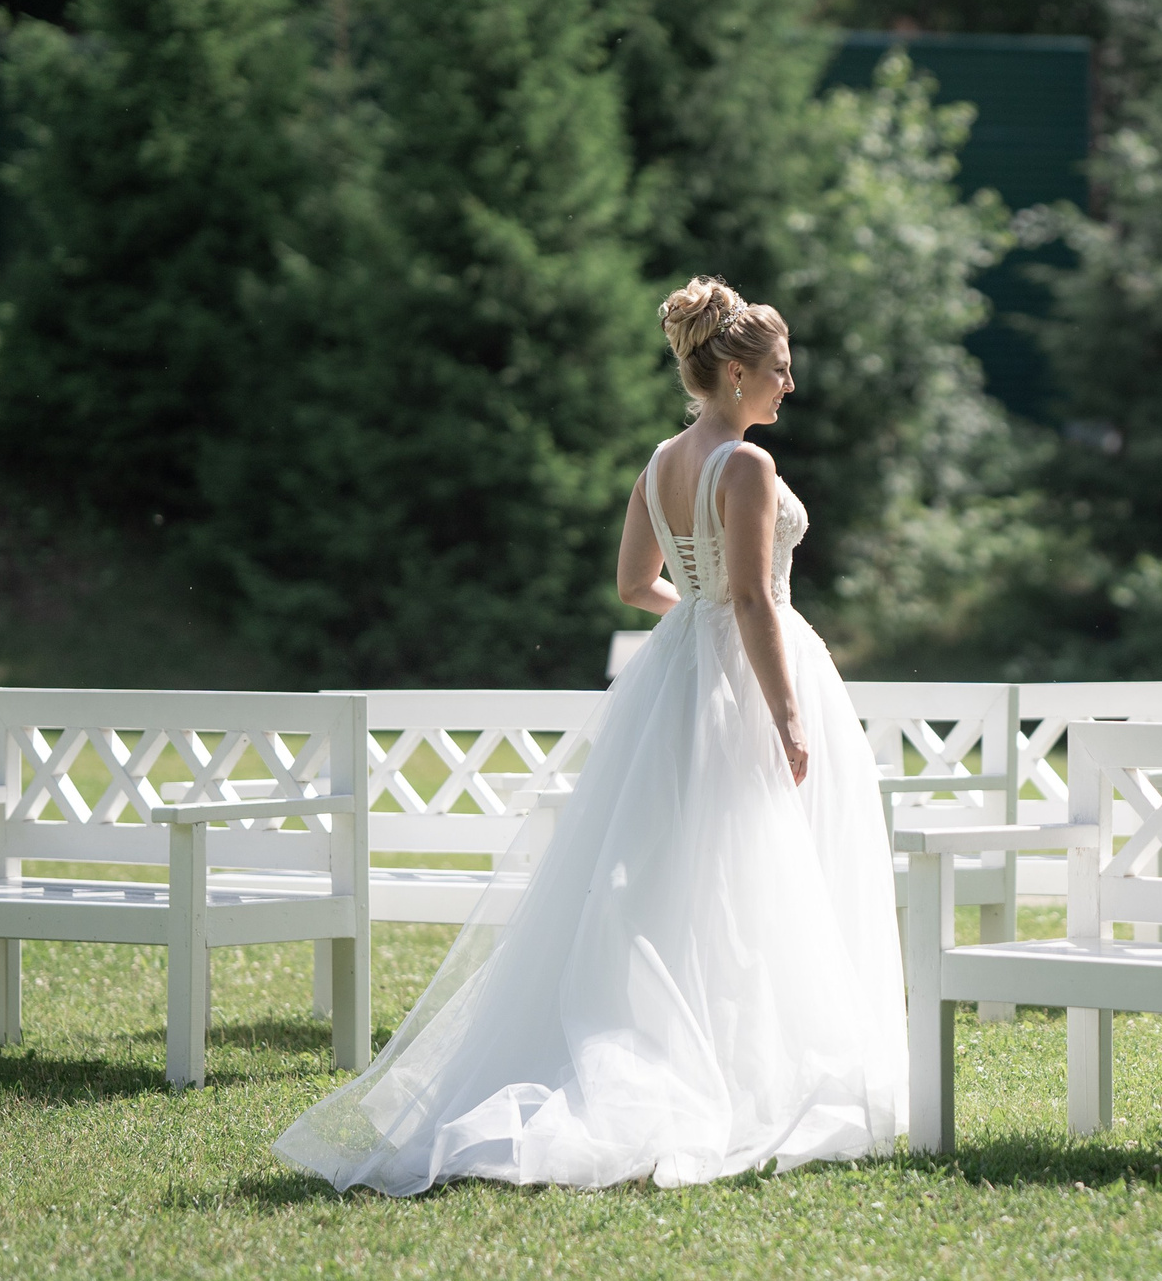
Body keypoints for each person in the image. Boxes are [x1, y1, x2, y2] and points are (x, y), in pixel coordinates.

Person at [275, 278, 907, 1193]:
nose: (790, 384)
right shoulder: (746, 466)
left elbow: (634, 584)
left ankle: (703, 1045)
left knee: (686, 868)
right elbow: (753, 598)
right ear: (734, 372)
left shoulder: (660, 462)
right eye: (779, 368)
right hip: (739, 678)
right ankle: (742, 1066)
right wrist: (788, 711)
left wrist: (694, 620)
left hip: (678, 675)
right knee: (749, 860)